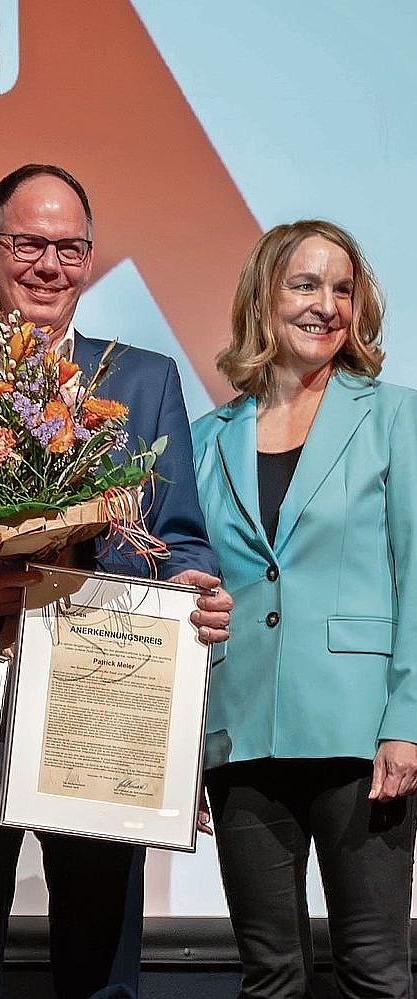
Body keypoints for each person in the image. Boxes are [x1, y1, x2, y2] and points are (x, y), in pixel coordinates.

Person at [0, 163, 232, 999]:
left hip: (103, 698)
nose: (47, 265)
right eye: (27, 243)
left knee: (102, 963)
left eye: (68, 248)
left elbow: (178, 534)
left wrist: (192, 582)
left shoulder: (140, 382)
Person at [192, 220, 417, 999]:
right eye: (305, 284)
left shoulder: (394, 417)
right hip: (241, 730)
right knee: (270, 976)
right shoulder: (204, 437)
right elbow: (195, 589)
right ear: (263, 296)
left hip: (362, 735)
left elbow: (415, 575)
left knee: (376, 971)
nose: (326, 305)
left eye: (342, 289)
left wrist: (406, 719)